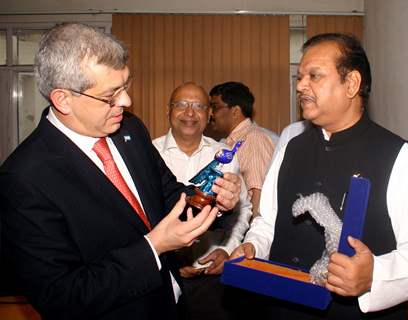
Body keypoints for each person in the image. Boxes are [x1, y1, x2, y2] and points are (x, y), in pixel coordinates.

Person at [0, 23, 241, 320]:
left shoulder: (129, 129)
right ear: (63, 99)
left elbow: (169, 196)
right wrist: (153, 247)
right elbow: (61, 296)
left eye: (125, 85)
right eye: (110, 95)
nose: (126, 101)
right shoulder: (24, 178)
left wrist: (214, 199)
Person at [231, 33, 408, 319]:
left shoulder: (399, 156)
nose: (300, 85)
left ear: (352, 84)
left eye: (314, 76)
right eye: (300, 76)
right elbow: (268, 221)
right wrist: (253, 246)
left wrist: (374, 275)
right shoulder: (290, 149)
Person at [153, 82, 252, 320]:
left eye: (198, 106)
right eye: (182, 105)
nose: (189, 112)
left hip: (210, 280)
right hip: (160, 278)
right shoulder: (149, 153)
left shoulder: (225, 156)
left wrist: (226, 250)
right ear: (168, 110)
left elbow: (242, 209)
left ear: (209, 114)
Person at [209, 82, 275, 218]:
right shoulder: (228, 143)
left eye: (215, 107)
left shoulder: (253, 139)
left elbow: (258, 194)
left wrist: (252, 237)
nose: (210, 114)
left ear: (235, 111)